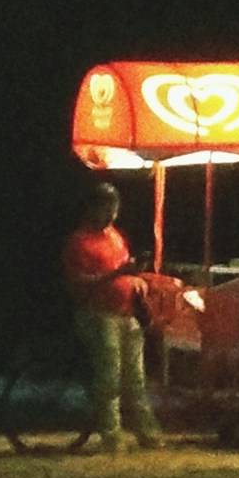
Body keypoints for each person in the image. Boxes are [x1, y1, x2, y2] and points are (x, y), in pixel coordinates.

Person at [61, 181, 167, 450]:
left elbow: (123, 270)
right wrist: (116, 275)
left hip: (126, 314)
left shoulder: (115, 237)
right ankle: (111, 436)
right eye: (105, 208)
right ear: (91, 208)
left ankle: (148, 434)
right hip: (98, 315)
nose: (110, 214)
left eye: (114, 208)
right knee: (109, 379)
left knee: (136, 379)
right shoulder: (79, 242)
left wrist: (136, 280)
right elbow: (78, 283)